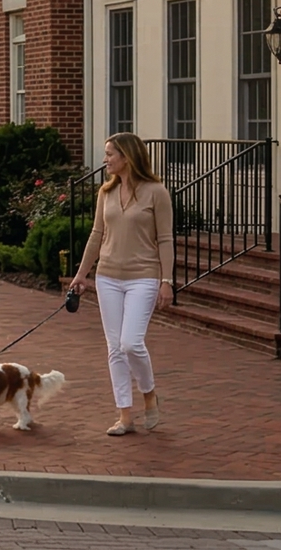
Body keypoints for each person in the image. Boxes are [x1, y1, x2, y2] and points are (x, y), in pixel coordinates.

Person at [68, 131, 173, 436]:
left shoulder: (156, 192)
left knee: (131, 343)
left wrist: (166, 280)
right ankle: (125, 415)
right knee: (115, 348)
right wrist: (81, 274)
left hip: (144, 276)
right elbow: (96, 235)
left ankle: (149, 394)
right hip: (108, 277)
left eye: (110, 154)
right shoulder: (106, 193)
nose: (106, 160)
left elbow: (165, 239)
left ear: (127, 157)